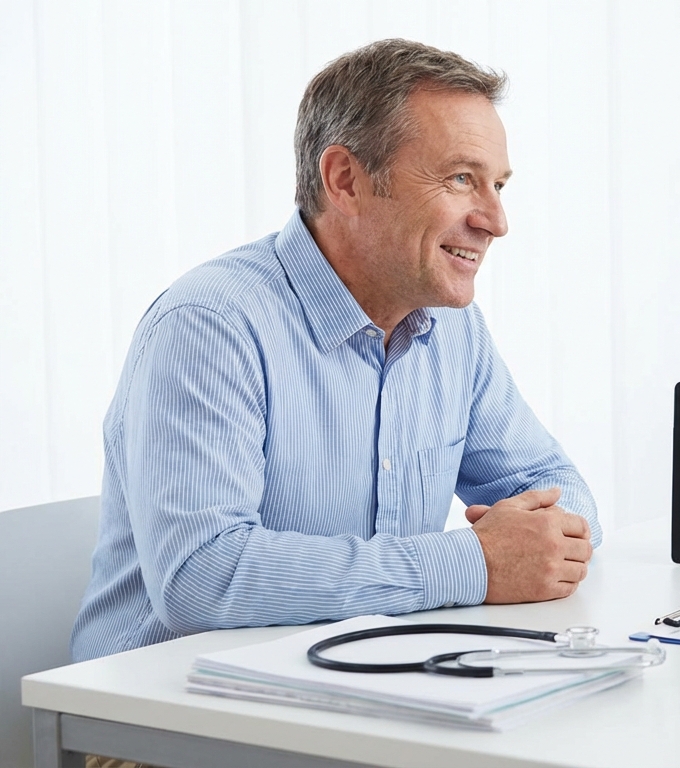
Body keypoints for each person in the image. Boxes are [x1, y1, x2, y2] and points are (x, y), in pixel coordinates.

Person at [71, 39, 600, 664]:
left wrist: (537, 541)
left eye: (499, 185)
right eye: (461, 179)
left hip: (357, 679)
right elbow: (201, 577)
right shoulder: (209, 327)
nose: (495, 220)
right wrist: (474, 562)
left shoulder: (451, 330)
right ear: (346, 180)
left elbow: (560, 491)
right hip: (165, 705)